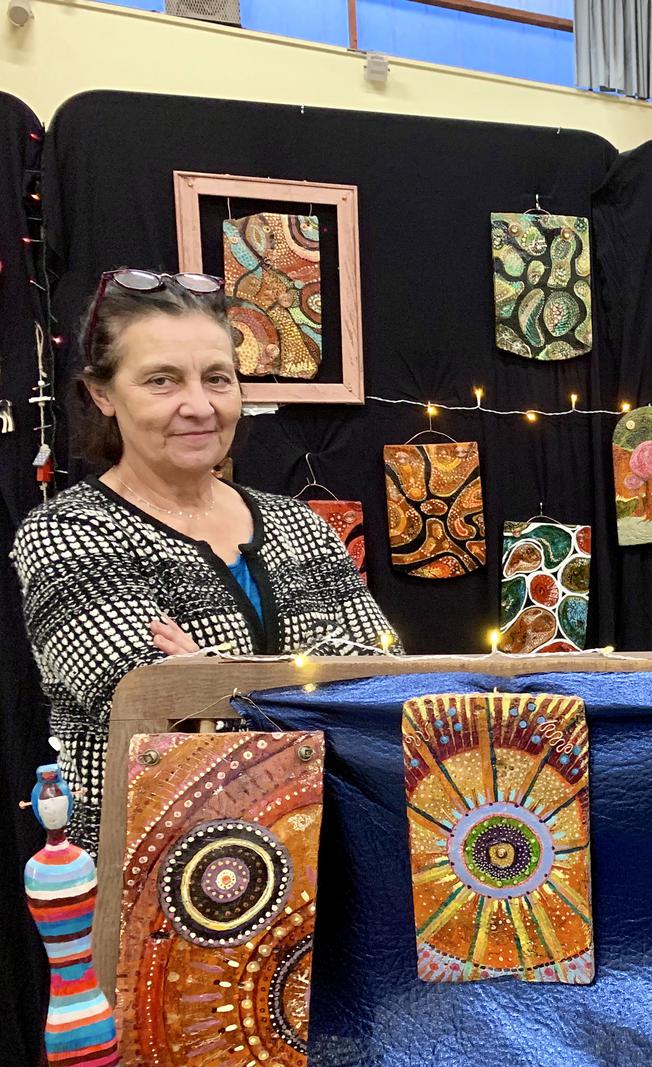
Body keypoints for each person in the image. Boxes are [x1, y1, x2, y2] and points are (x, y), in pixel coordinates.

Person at [10, 269, 400, 853]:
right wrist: (310, 684)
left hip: (325, 855)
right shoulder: (67, 534)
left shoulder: (300, 525)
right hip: (152, 864)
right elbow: (145, 700)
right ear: (103, 395)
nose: (199, 406)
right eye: (161, 381)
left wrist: (210, 675)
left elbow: (385, 679)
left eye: (217, 378)